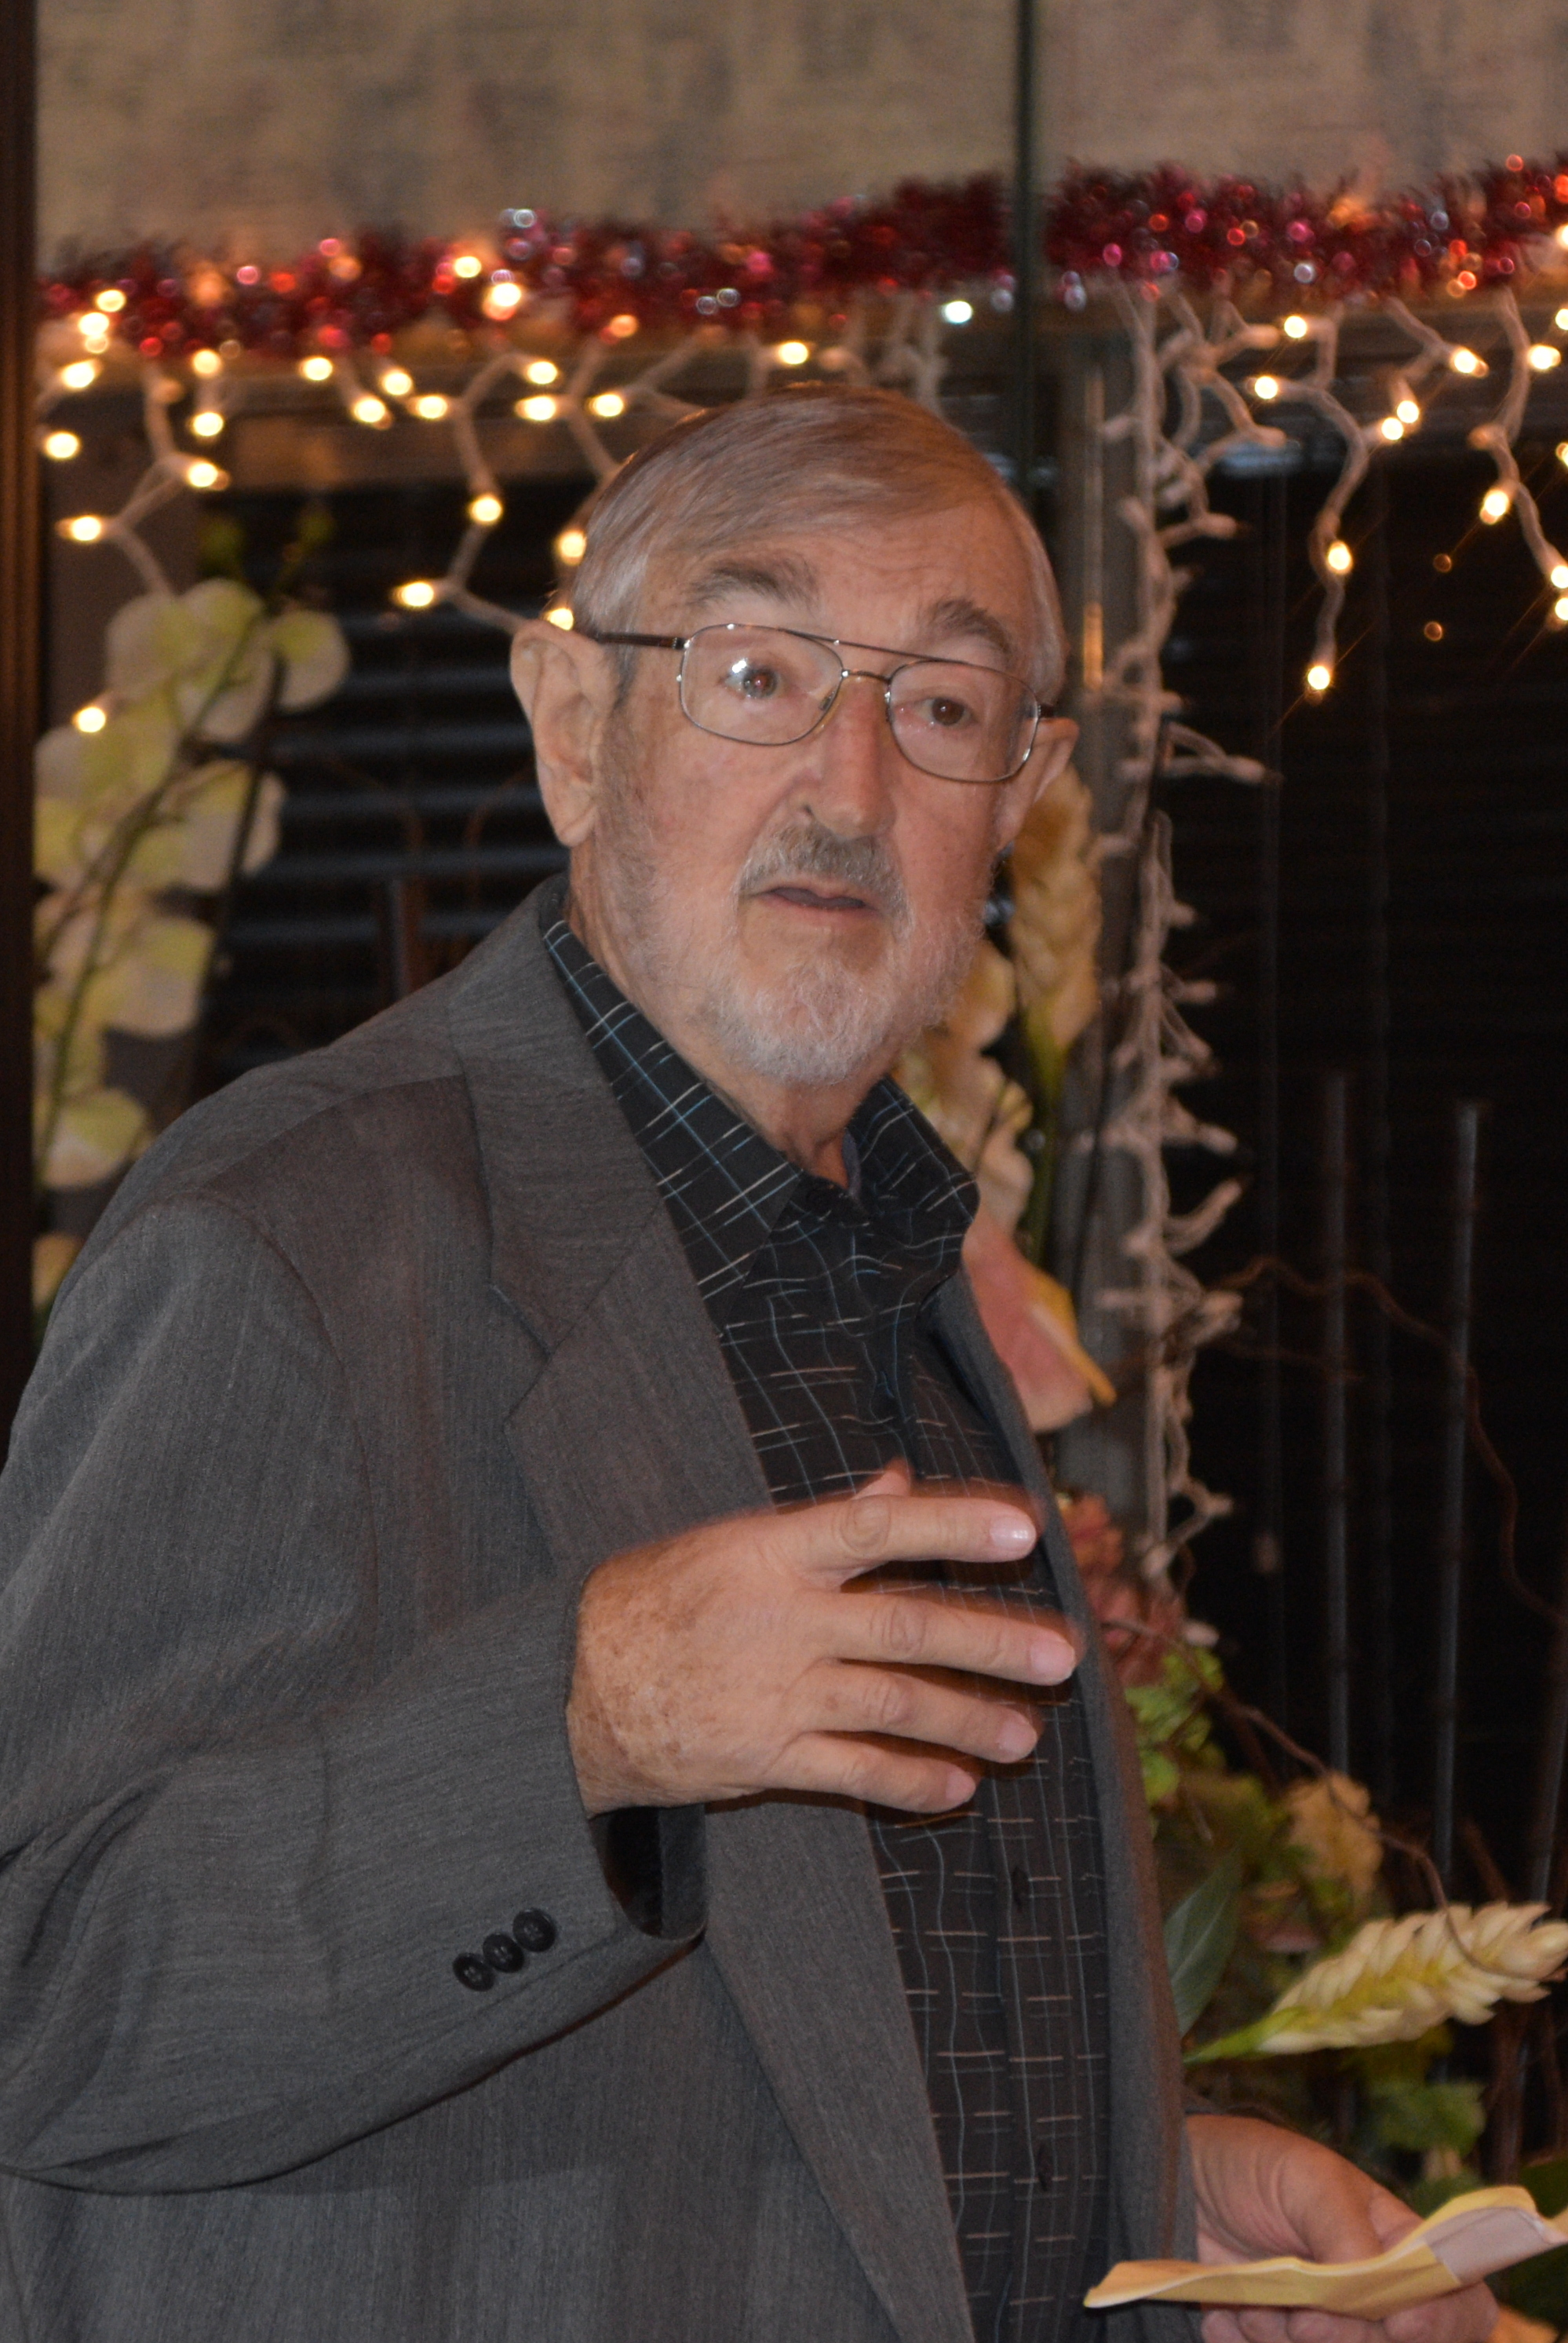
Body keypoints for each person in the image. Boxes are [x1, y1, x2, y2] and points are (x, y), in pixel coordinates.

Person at [0, 386, 1494, 2343]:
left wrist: (1145, 2202)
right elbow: (45, 1991)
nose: (850, 784)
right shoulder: (292, 1237)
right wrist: (583, 1718)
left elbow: (813, 2059)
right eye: (759, 672)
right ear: (572, 727)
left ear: (1020, 791)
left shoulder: (900, 1282)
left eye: (941, 706)